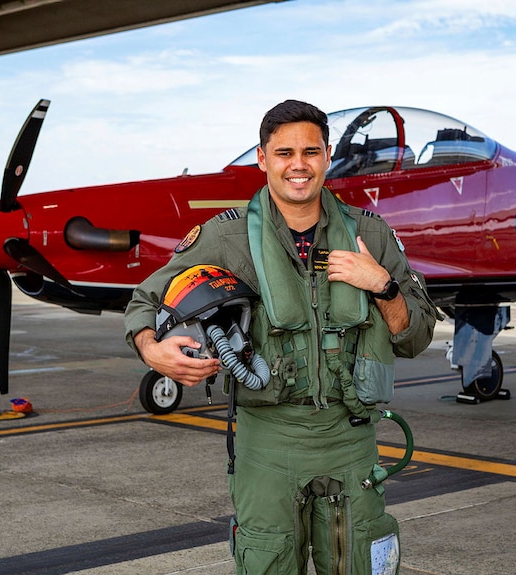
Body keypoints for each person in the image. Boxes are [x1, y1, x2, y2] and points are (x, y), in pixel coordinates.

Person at [124, 99, 439, 575]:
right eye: (284, 153)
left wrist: (382, 285)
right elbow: (145, 300)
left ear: (327, 157)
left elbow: (416, 336)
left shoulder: (370, 236)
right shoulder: (225, 238)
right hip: (268, 444)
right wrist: (153, 349)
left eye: (310, 152)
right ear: (263, 159)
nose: (298, 165)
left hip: (350, 441)